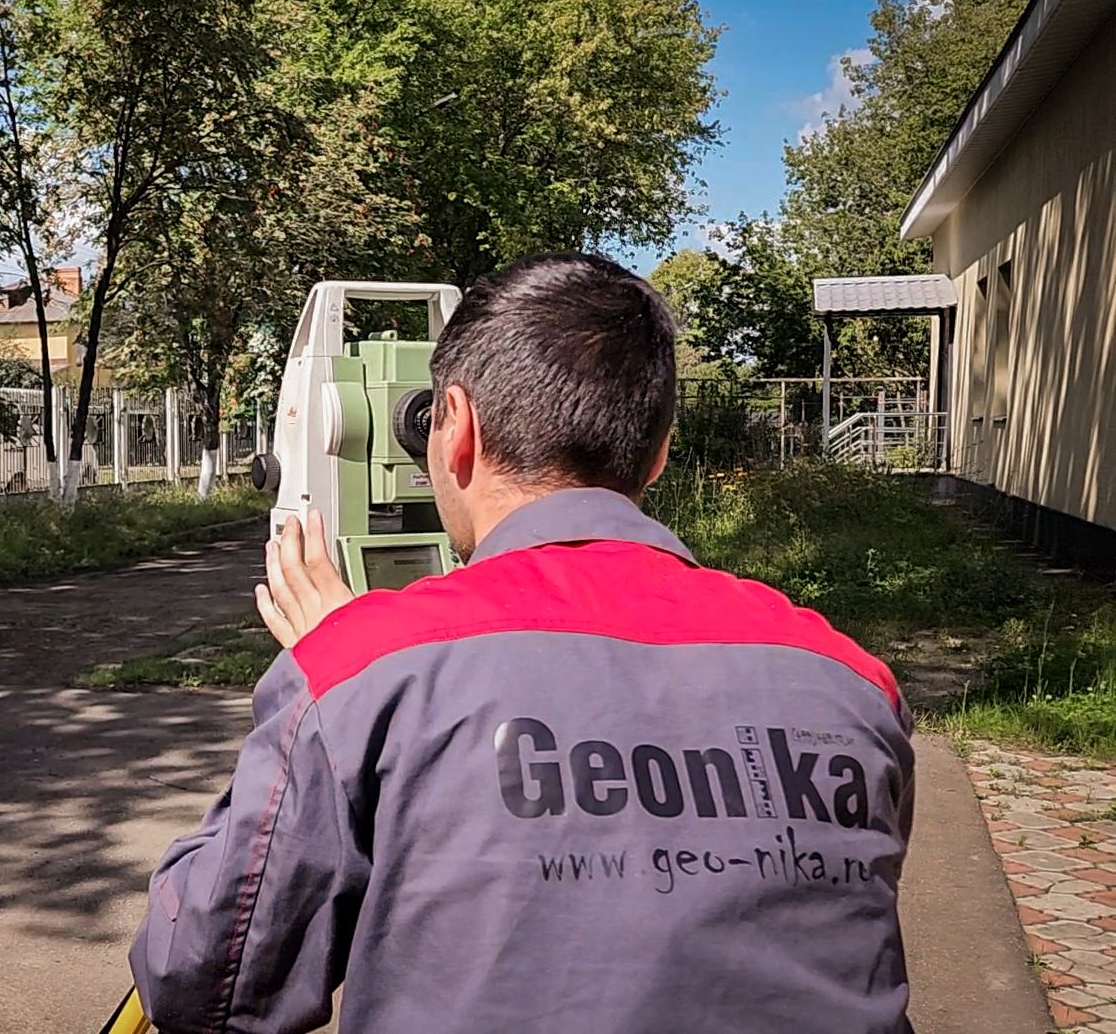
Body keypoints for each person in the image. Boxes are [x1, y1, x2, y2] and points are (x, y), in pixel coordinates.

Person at [128, 253, 913, 1033]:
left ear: (457, 428)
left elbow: (204, 985)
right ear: (661, 449)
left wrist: (338, 687)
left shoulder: (362, 672)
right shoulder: (853, 682)